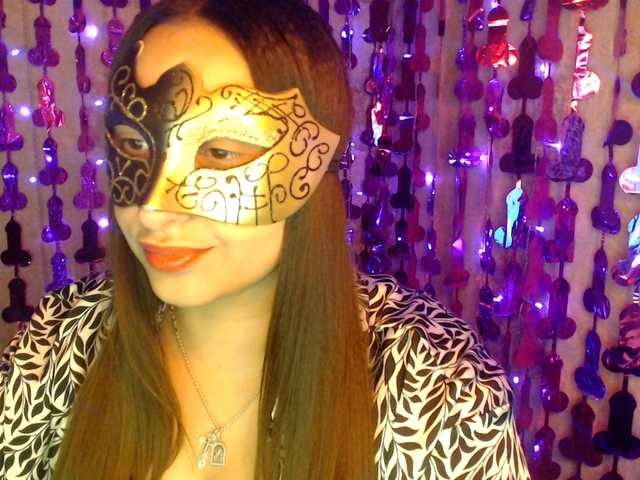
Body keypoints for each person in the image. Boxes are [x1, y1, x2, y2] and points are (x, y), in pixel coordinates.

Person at [0, 0, 531, 479]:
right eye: (133, 147)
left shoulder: (435, 388)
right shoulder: (60, 342)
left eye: (221, 153)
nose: (153, 207)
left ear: (314, 161)